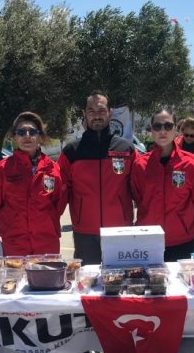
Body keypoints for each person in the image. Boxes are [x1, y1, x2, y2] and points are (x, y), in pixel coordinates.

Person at [58, 91, 136, 264]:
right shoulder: (72, 151)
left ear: (110, 113)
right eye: (91, 111)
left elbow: (139, 188)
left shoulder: (126, 149)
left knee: (119, 284)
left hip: (119, 230)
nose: (96, 116)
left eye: (101, 110)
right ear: (85, 114)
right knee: (87, 283)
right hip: (85, 232)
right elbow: (61, 192)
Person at [131, 108, 194, 261]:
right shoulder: (139, 165)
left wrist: (186, 225)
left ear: (176, 129)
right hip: (148, 239)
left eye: (168, 126)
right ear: (151, 130)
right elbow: (138, 197)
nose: (163, 131)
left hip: (182, 241)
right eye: (157, 126)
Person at [0, 112, 66, 256]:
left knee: (47, 278)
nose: (27, 136)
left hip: (46, 243)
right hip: (15, 244)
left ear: (40, 137)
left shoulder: (53, 169)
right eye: (21, 132)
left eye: (32, 132)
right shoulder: (1, 169)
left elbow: (59, 203)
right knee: (14, 279)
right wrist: (7, 229)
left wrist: (48, 223)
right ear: (15, 137)